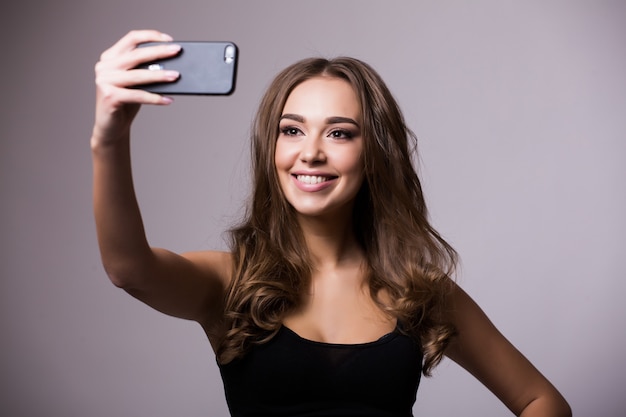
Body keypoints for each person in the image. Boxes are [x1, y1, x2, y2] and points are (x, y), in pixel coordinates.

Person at [91, 30, 571, 417]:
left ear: (375, 154)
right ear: (272, 150)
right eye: (292, 130)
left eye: (339, 132)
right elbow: (128, 269)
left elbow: (542, 402)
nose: (311, 152)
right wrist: (108, 139)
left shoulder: (420, 291)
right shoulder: (231, 283)